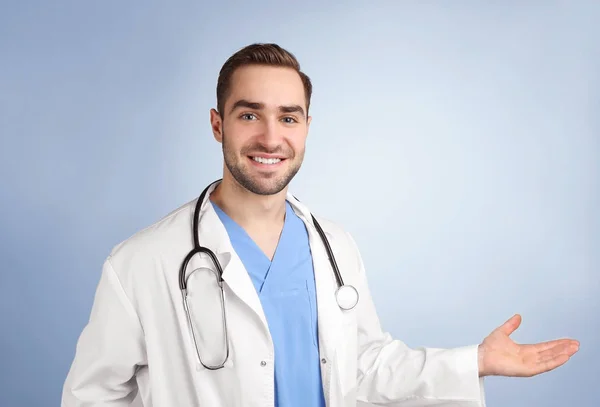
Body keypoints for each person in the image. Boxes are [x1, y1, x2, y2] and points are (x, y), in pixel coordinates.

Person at [62, 43, 579, 407]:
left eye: (288, 117)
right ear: (217, 123)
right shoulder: (140, 263)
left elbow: (364, 367)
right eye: (248, 115)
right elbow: (92, 397)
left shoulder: (335, 245)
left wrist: (475, 362)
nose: (270, 137)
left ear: (307, 127)